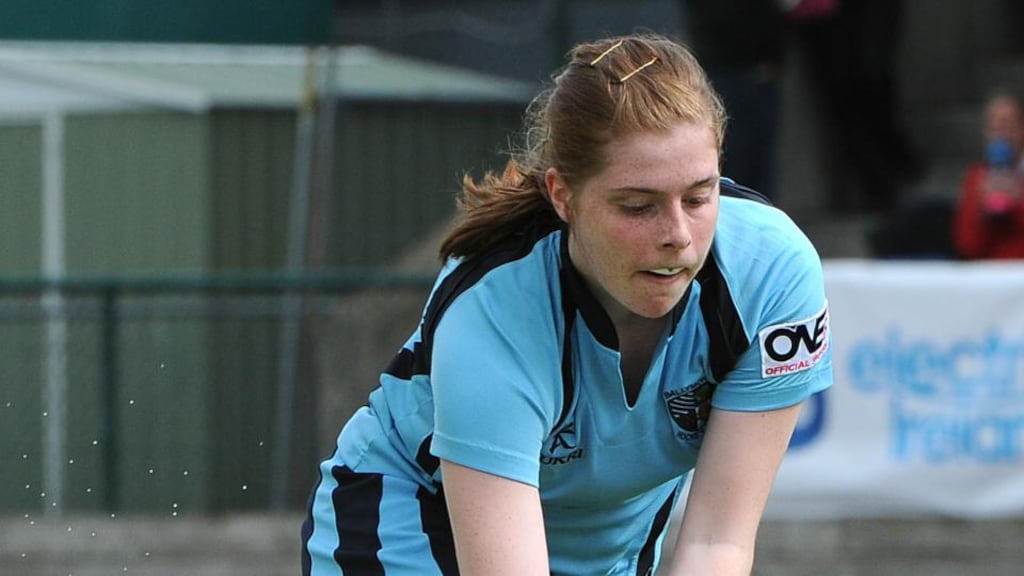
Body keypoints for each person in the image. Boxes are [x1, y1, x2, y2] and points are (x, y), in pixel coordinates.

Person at [302, 33, 833, 576]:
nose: (679, 236)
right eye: (637, 206)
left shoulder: (773, 277)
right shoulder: (492, 310)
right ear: (563, 196)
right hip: (407, 525)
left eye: (699, 197)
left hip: (607, 551)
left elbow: (717, 542)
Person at [953, 90, 1024, 259]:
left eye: (1007, 125)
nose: (1001, 133)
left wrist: (1018, 202)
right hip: (991, 278)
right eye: (994, 126)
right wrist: (981, 210)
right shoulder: (976, 178)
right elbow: (967, 246)